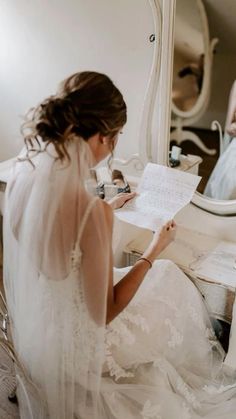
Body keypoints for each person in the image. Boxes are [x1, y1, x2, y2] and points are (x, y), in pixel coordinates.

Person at [3, 71, 236, 419]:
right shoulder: (91, 214)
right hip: (78, 347)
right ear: (99, 136)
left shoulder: (21, 172)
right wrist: (154, 248)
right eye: (115, 138)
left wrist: (108, 206)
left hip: (40, 333)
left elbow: (50, 239)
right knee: (169, 273)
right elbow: (105, 313)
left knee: (163, 278)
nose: (113, 147)